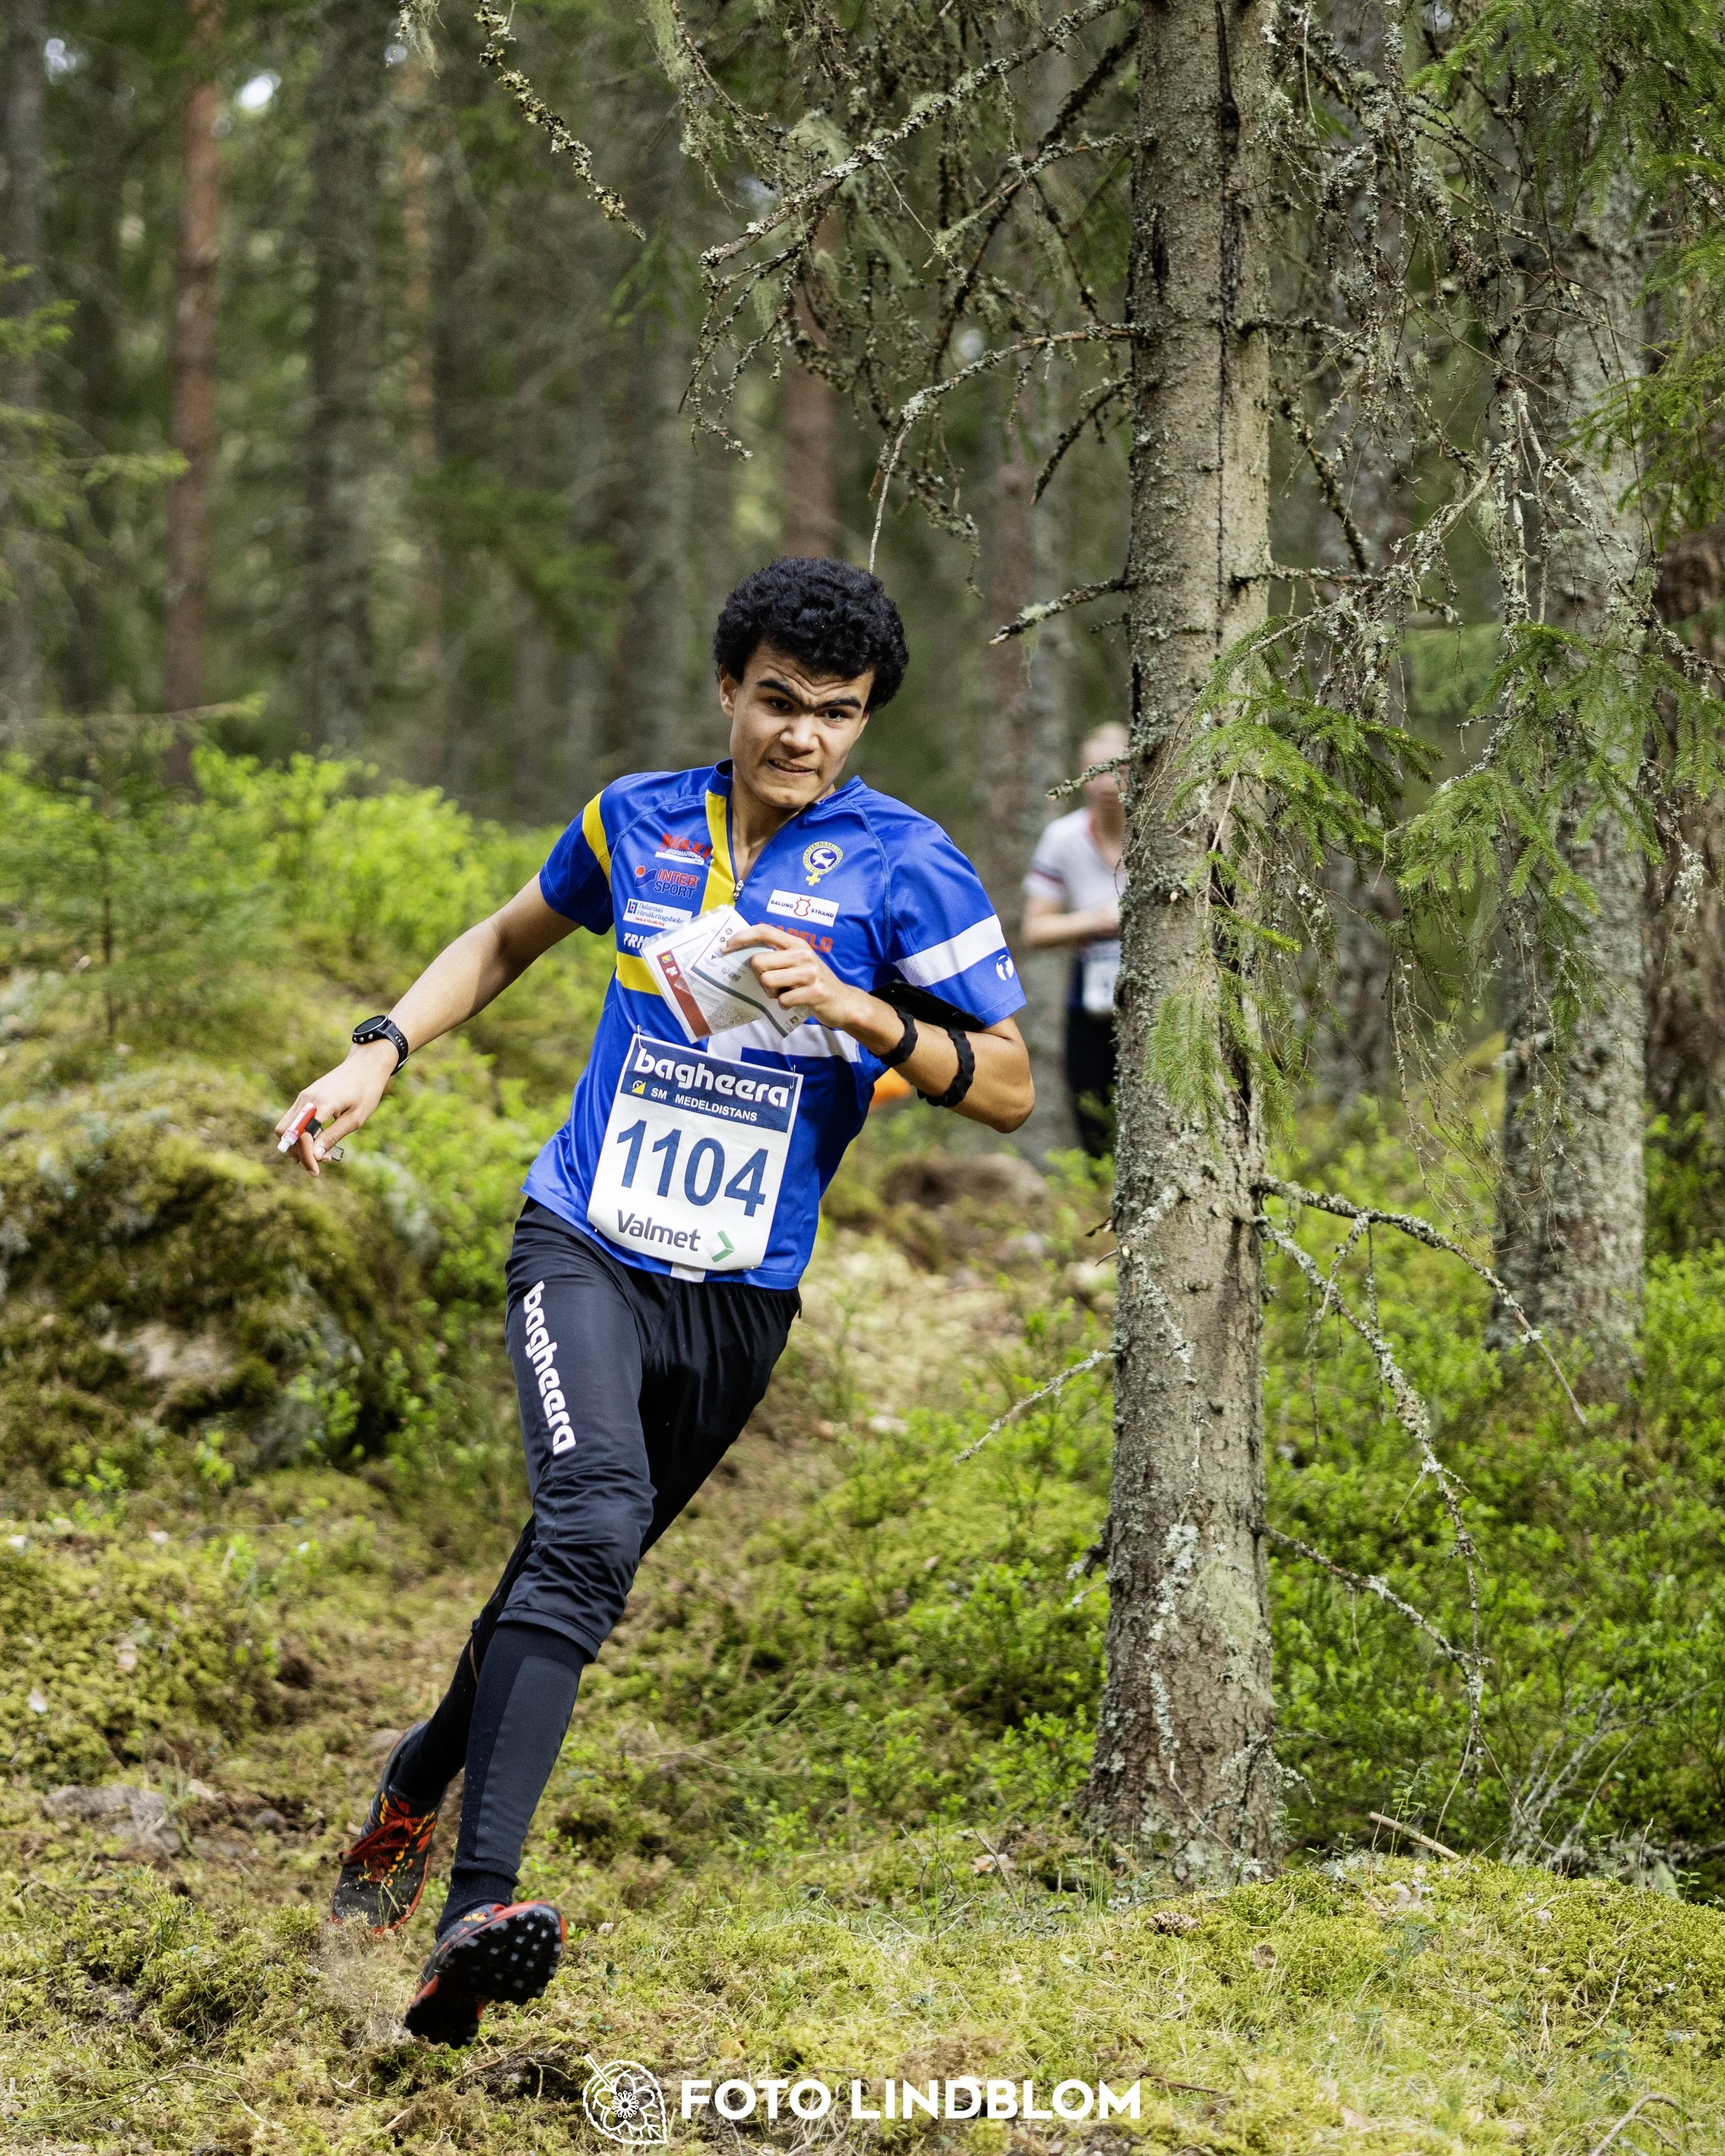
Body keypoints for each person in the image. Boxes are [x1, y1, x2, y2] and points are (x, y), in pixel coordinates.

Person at [276, 557, 1034, 2046]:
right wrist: (378, 1046)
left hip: (739, 1298)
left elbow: (1005, 1083)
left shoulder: (906, 866)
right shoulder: (636, 818)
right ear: (727, 692)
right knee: (588, 1521)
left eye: (836, 712)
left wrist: (866, 1011)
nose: (801, 736)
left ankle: (409, 1795)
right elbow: (501, 939)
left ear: (865, 718)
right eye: (776, 701)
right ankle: (472, 1912)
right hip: (587, 1243)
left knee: (561, 1569)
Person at [1021, 721, 1127, 1157]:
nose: (1107, 783)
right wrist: (1098, 920)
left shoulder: (1167, 835)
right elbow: (1035, 928)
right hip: (1091, 993)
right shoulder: (1063, 838)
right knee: (1093, 1118)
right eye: (1095, 772)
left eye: (1118, 770)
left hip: (1161, 984)